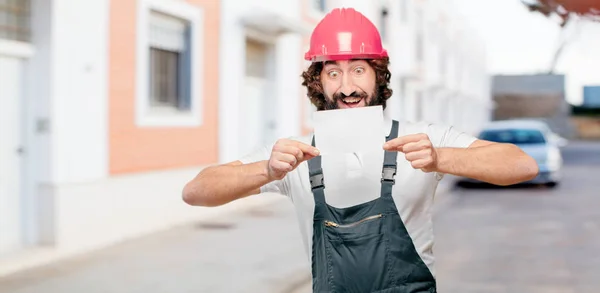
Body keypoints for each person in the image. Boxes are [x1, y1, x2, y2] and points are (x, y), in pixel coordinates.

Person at [182, 7, 538, 293]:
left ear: (378, 75)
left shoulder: (422, 138)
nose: (347, 86)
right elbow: (196, 192)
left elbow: (522, 165)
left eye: (358, 70)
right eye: (333, 73)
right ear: (317, 81)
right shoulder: (295, 154)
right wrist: (267, 171)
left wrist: (441, 158)